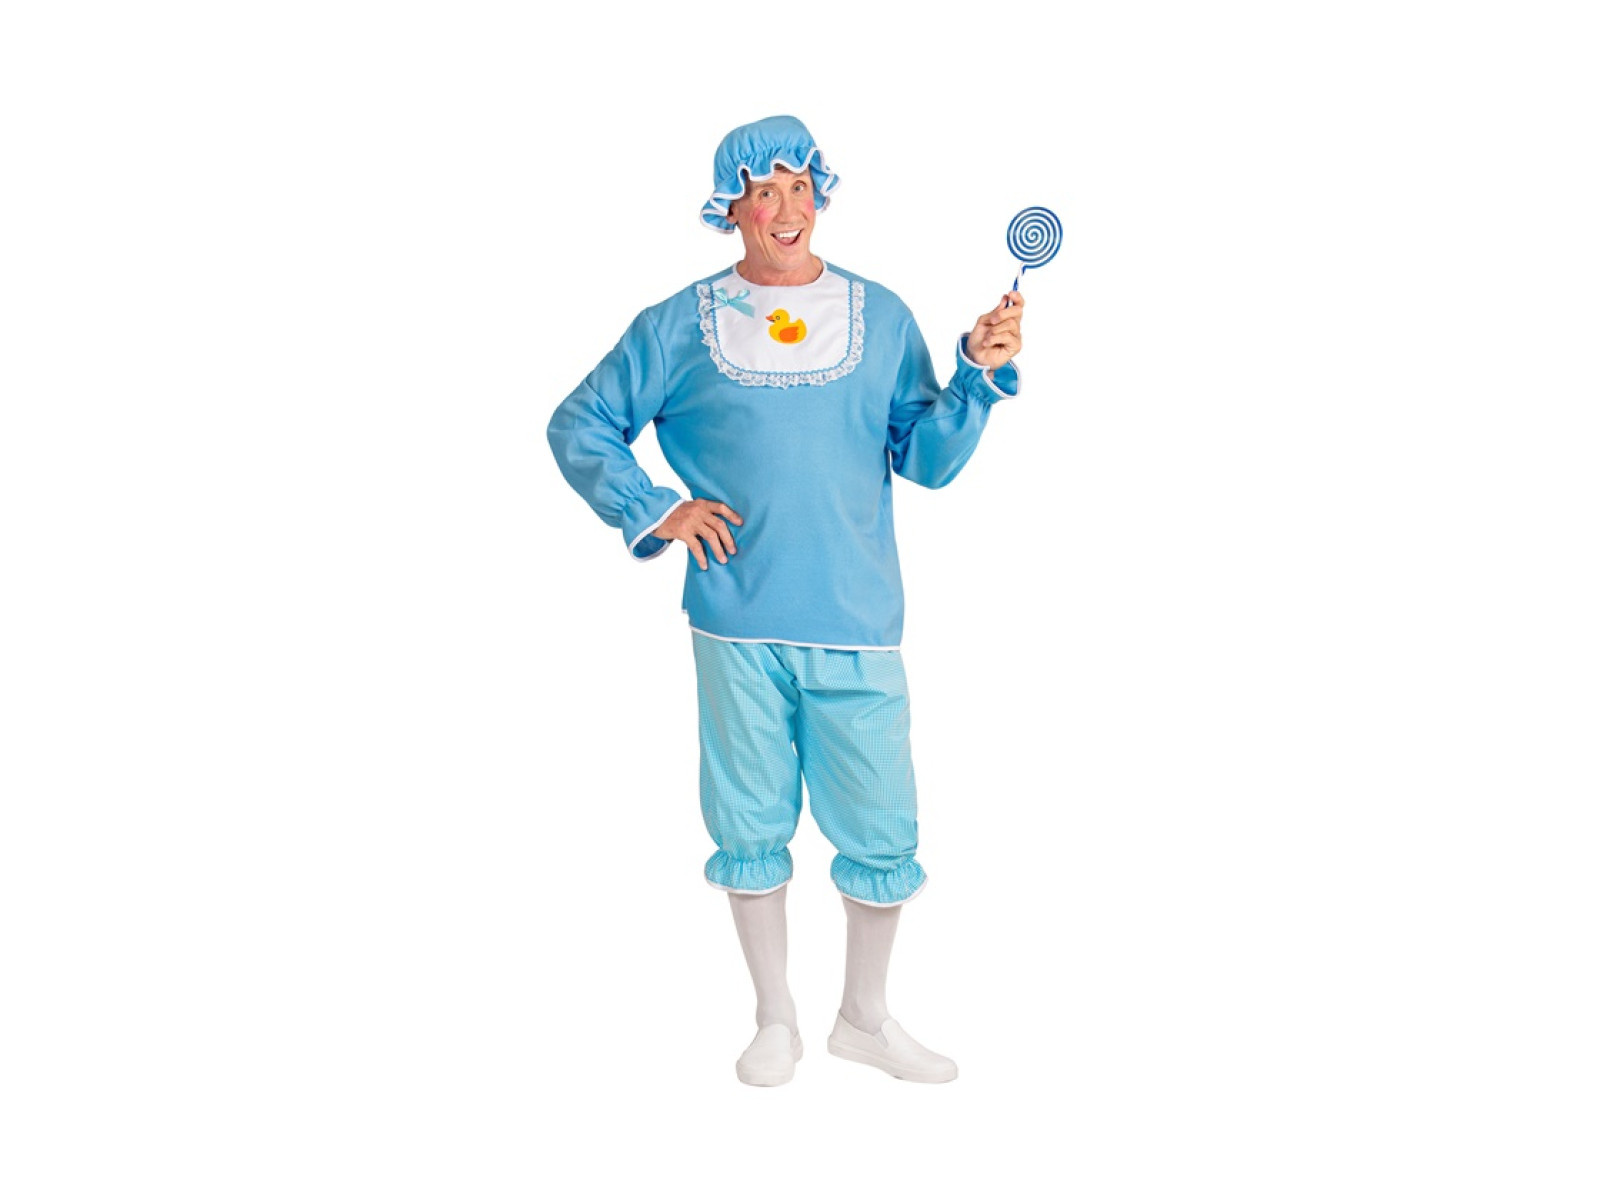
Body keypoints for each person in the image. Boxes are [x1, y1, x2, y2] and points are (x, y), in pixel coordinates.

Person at [547, 115, 1023, 1086]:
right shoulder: (679, 325)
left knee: (882, 825)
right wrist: (656, 508)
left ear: (820, 196)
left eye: (799, 186)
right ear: (730, 209)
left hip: (856, 620)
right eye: (762, 191)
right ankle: (774, 1018)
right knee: (748, 822)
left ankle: (864, 1019)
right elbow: (580, 421)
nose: (785, 208)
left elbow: (927, 461)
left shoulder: (880, 316)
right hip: (736, 622)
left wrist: (975, 373)